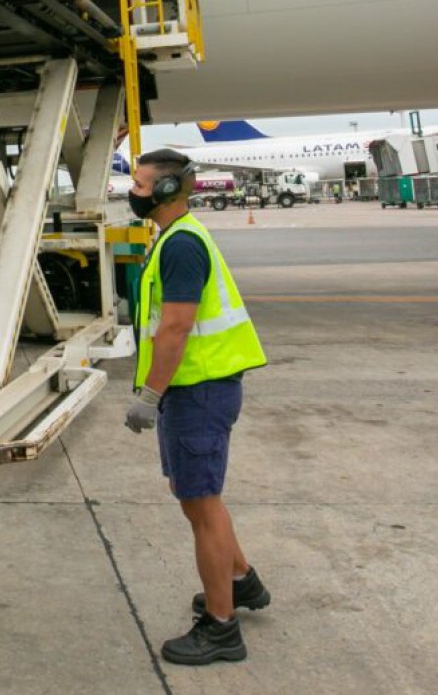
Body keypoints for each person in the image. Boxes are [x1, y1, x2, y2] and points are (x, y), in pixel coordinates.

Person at [122, 148, 270, 666]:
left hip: (197, 390)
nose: (132, 193)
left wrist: (150, 395)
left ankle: (222, 629)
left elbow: (177, 328)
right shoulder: (173, 236)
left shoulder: (182, 245)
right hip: (198, 388)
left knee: (201, 505)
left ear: (165, 191)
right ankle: (240, 580)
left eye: (139, 186)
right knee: (195, 498)